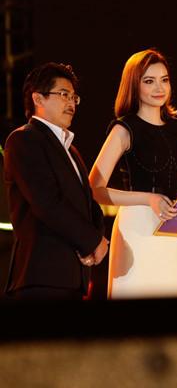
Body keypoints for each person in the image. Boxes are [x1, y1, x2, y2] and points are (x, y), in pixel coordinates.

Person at [89, 49, 177, 299]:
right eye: (149, 81)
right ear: (134, 85)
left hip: (172, 233)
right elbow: (94, 189)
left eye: (164, 79)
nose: (159, 87)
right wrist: (148, 198)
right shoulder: (124, 129)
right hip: (136, 228)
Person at [3, 62, 109, 300]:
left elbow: (89, 204)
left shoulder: (72, 151)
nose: (71, 103)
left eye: (74, 97)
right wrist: (92, 241)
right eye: (63, 94)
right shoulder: (23, 140)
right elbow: (47, 202)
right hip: (41, 276)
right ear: (38, 98)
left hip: (74, 277)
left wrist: (98, 240)